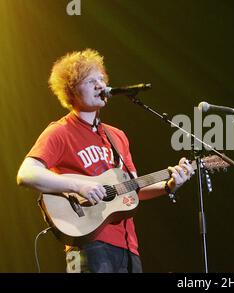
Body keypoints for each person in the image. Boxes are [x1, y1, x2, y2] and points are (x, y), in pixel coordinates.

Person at [16, 49, 194, 273]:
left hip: (129, 247)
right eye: (91, 81)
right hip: (87, 244)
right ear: (71, 89)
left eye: (101, 79)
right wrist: (79, 185)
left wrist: (170, 186)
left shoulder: (117, 136)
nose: (100, 85)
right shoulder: (60, 132)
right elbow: (26, 174)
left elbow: (133, 188)